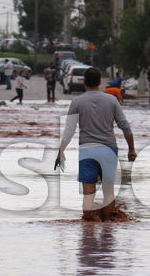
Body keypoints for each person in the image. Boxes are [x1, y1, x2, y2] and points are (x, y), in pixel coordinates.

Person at [57, 67, 137, 221]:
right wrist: (131, 149)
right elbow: (125, 126)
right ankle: (107, 226)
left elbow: (69, 130)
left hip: (87, 151)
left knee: (88, 192)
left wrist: (61, 150)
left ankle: (92, 224)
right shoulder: (112, 100)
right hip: (109, 149)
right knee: (108, 191)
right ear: (100, 82)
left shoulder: (77, 102)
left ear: (85, 82)